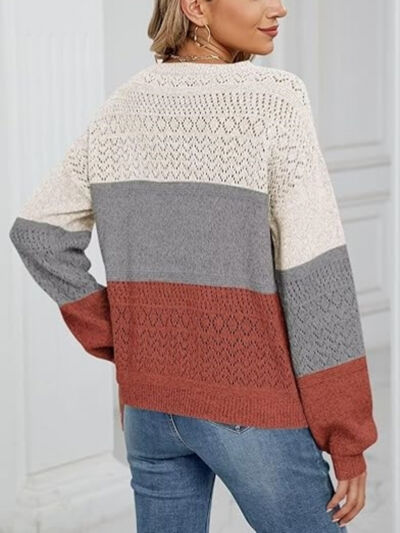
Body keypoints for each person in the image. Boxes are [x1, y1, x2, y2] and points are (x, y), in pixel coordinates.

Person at [9, 0, 378, 531]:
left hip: (148, 407)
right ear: (196, 7)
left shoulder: (122, 106)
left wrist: (130, 341)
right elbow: (315, 275)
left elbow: (37, 233)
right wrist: (347, 438)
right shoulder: (274, 99)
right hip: (247, 403)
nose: (279, 7)